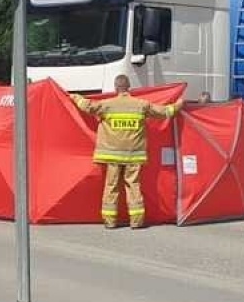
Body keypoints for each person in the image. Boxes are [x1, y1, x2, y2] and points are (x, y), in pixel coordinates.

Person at [71, 74, 181, 228]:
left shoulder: (107, 104)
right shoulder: (141, 105)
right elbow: (164, 112)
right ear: (129, 88)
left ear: (116, 88)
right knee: (133, 186)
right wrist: (178, 104)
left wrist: (75, 97)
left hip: (111, 155)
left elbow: (86, 106)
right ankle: (136, 221)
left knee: (111, 186)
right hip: (133, 155)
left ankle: (110, 222)